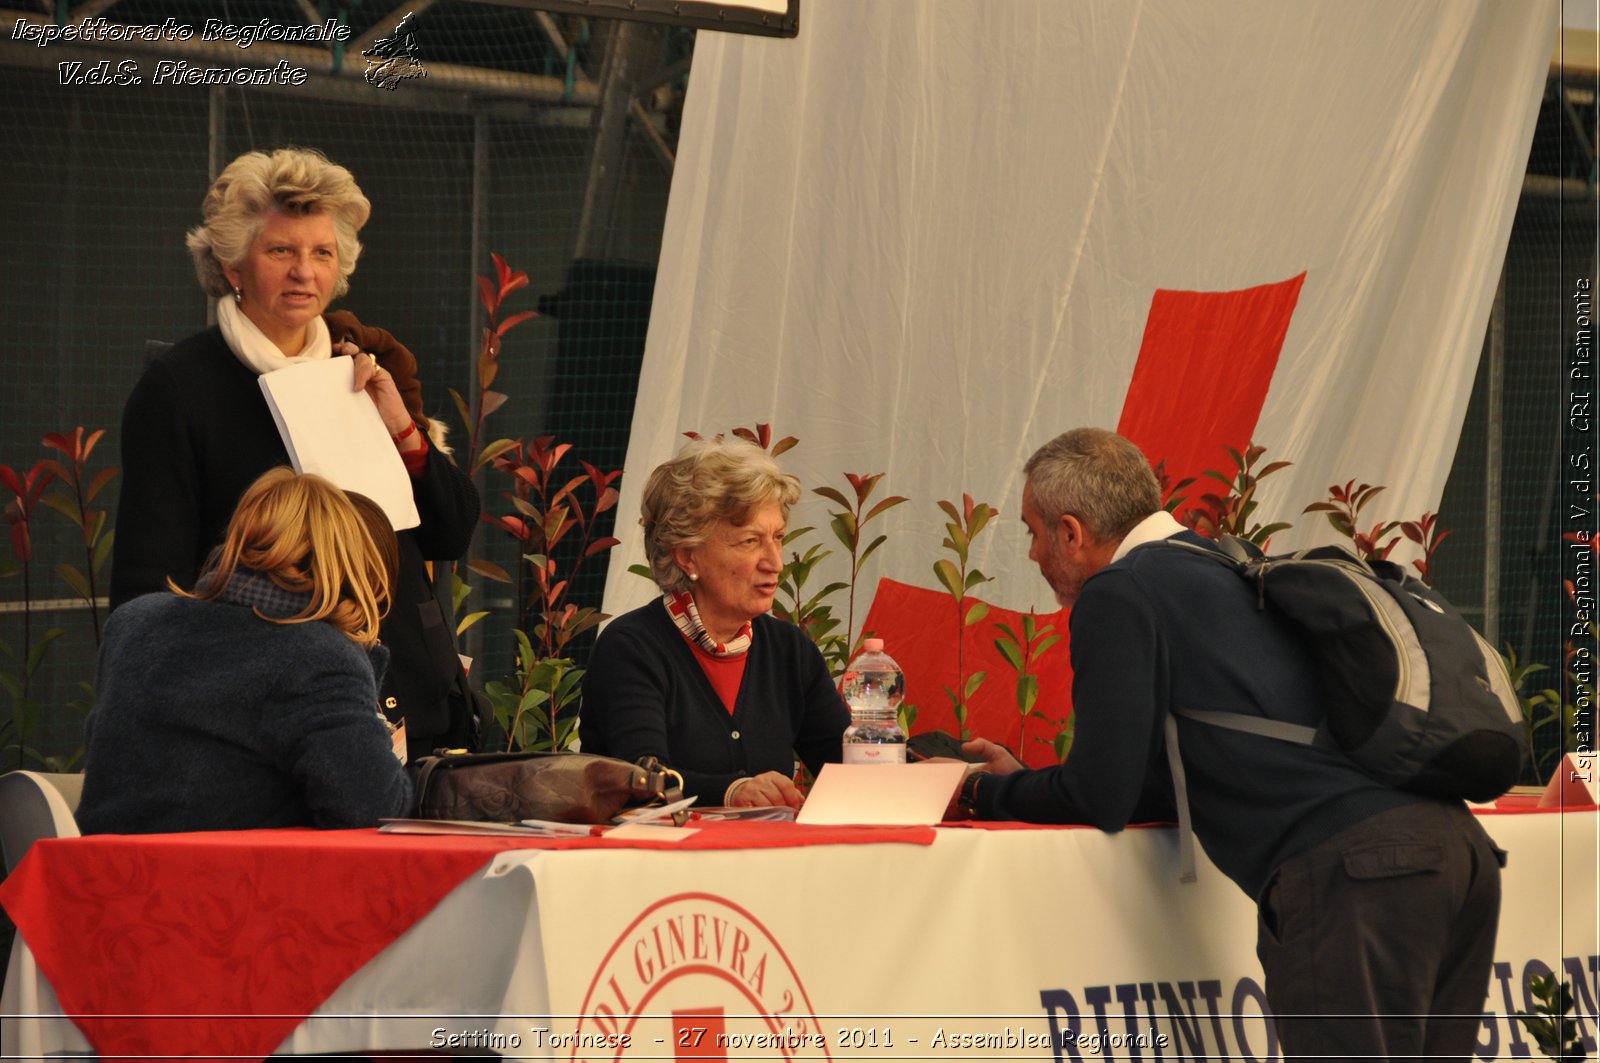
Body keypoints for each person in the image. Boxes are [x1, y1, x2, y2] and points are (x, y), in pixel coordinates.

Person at [953, 427, 1503, 1061]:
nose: (1032, 554)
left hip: (1355, 878)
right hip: (1455, 852)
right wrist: (1028, 779)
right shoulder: (1222, 566)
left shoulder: (1120, 591)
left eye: (1032, 532)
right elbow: (1150, 784)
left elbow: (1100, 795)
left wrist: (979, 790)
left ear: (1072, 533)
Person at [110, 147, 481, 759]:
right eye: (280, 251)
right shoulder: (179, 387)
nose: (304, 272)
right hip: (261, 720)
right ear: (232, 267)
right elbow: (150, 590)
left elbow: (449, 533)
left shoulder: (363, 366)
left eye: (322, 253)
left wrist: (402, 431)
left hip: (407, 703)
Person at [78, 469, 413, 833]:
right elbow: (373, 806)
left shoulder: (134, 622)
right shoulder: (318, 658)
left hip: (94, 875)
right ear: (345, 561)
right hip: (216, 881)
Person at [580, 437, 849, 808]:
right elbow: (642, 777)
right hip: (654, 862)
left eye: (778, 538)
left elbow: (851, 767)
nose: (776, 562)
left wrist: (940, 769)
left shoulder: (789, 650)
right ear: (688, 556)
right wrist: (730, 791)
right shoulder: (631, 646)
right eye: (750, 541)